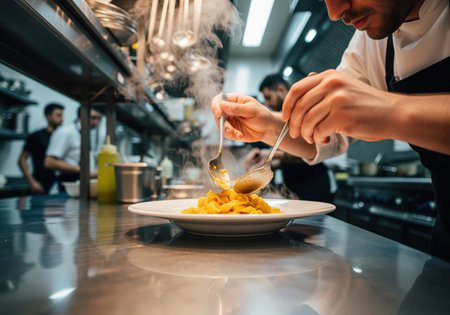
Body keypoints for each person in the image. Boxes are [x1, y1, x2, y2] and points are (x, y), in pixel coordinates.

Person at [212, 0, 449, 261]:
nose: (335, 13)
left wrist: (393, 112)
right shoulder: (371, 42)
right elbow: (329, 136)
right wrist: (267, 124)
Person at [243, 74, 334, 202]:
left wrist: (271, 154)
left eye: (269, 97)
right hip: (295, 185)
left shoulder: (303, 110)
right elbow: (289, 161)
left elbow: (309, 152)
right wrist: (264, 165)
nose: (267, 103)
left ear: (281, 89)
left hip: (313, 184)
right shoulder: (283, 117)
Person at [44, 107, 102, 192]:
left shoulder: (87, 133)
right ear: (82, 116)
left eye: (98, 119)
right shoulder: (66, 132)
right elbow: (49, 162)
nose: (96, 122)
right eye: (93, 118)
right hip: (68, 184)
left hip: (82, 183)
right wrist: (83, 170)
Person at [18, 103, 64, 194]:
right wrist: (32, 182)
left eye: (62, 115)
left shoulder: (62, 136)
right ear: (48, 116)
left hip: (59, 183)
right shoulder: (36, 136)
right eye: (58, 115)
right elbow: (22, 159)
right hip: (41, 183)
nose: (62, 118)